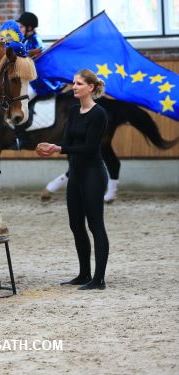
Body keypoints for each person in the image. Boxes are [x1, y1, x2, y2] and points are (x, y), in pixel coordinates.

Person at [36, 69, 109, 290]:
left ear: (90, 87)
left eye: (78, 83)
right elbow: (67, 143)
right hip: (75, 174)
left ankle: (99, 279)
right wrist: (52, 146)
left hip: (93, 174)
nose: (74, 87)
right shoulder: (74, 111)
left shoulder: (99, 114)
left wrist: (58, 148)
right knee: (76, 225)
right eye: (74, 83)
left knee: (95, 225)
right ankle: (84, 274)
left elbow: (89, 148)